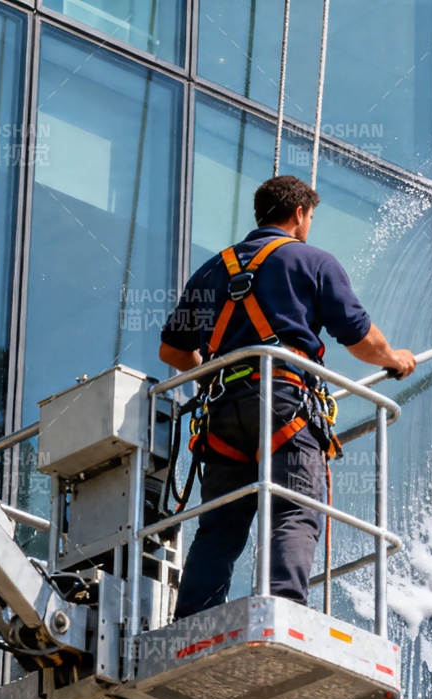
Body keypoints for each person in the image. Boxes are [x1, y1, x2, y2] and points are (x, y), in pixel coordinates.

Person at [159, 175, 415, 618]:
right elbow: (359, 339)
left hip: (222, 413)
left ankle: (194, 620)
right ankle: (285, 613)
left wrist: (214, 374)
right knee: (295, 510)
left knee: (219, 526)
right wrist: (394, 358)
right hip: (284, 404)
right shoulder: (312, 261)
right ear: (299, 213)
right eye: (310, 216)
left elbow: (173, 351)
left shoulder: (211, 270)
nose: (309, 224)